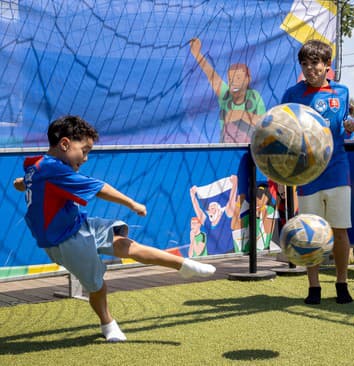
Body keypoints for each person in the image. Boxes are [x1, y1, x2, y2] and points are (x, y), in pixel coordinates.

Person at [12, 115, 216, 342]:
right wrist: (132, 203)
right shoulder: (54, 170)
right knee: (98, 287)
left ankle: (183, 265)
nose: (86, 158)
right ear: (65, 144)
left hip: (79, 224)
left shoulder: (39, 165)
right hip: (65, 241)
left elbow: (28, 181)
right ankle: (108, 324)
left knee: (127, 245)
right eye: (85, 150)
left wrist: (21, 184)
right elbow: (100, 188)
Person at [281, 39, 353, 304]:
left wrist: (352, 123)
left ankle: (342, 283)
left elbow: (343, 122)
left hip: (337, 169)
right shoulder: (291, 94)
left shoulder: (342, 92)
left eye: (315, 64)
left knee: (340, 229)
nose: (310, 69)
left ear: (327, 66)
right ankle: (314, 287)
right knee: (310, 231)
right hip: (307, 173)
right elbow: (282, 131)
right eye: (305, 64)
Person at [189, 37, 266, 143]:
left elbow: (263, 123)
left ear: (248, 79)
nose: (234, 81)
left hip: (248, 147)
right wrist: (197, 54)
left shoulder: (254, 96)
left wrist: (241, 115)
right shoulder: (226, 95)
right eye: (231, 79)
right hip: (227, 147)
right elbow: (212, 76)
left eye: (238, 78)